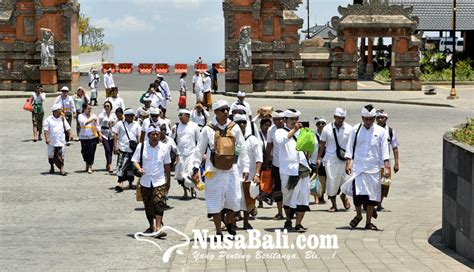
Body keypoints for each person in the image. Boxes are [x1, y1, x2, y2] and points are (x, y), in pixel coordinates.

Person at [191, 100, 249, 237]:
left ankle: (228, 221)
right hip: (213, 171)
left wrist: (245, 167)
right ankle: (218, 231)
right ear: (215, 112)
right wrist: (195, 168)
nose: (225, 112)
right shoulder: (208, 129)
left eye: (227, 109)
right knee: (214, 202)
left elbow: (243, 148)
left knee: (234, 200)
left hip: (232, 169)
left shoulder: (234, 128)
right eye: (222, 110)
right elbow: (199, 150)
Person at [343, 104, 390, 231]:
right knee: (358, 196)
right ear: (362, 118)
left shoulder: (381, 132)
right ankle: (358, 215)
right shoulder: (355, 129)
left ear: (374, 118)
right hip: (358, 168)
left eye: (370, 119)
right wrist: (348, 162)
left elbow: (385, 150)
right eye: (365, 119)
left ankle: (368, 222)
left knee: (372, 198)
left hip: (373, 169)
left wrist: (386, 167)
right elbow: (350, 147)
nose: (368, 122)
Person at [275, 109, 312, 232]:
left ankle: (299, 223)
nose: (295, 122)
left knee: (303, 196)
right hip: (288, 169)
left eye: (296, 119)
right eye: (292, 119)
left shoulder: (301, 132)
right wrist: (294, 130)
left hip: (303, 167)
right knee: (288, 197)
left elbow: (312, 145)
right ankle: (288, 220)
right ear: (285, 120)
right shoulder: (279, 131)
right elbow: (281, 142)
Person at [132, 126, 171, 238]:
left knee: (159, 203)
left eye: (157, 134)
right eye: (152, 134)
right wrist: (139, 168)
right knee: (148, 204)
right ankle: (152, 226)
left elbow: (167, 165)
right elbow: (134, 160)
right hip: (145, 180)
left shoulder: (164, 148)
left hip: (159, 180)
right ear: (148, 135)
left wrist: (168, 181)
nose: (155, 136)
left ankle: (158, 228)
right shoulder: (141, 146)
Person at [316, 108, 352, 212]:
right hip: (330, 160)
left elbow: (351, 145)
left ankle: (344, 196)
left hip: (345, 159)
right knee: (332, 181)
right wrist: (318, 158)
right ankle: (333, 204)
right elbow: (322, 145)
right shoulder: (327, 129)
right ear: (334, 117)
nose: (341, 120)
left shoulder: (349, 129)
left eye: (343, 118)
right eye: (339, 118)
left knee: (346, 180)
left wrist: (350, 160)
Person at [235, 114, 262, 230]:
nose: (241, 124)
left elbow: (259, 158)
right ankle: (232, 222)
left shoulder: (252, 140)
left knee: (248, 199)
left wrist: (257, 174)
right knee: (234, 199)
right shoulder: (231, 138)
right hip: (234, 174)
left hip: (249, 175)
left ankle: (246, 222)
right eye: (239, 122)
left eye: (243, 122)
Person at [375, 109, 400, 211]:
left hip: (386, 163)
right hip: (373, 163)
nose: (380, 119)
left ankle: (379, 204)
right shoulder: (372, 130)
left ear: (386, 119)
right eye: (378, 117)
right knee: (372, 184)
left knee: (385, 184)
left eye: (383, 117)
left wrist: (396, 163)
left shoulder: (390, 131)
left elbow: (395, 148)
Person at [173, 109, 200, 200]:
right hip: (180, 154)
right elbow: (172, 139)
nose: (180, 117)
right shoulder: (176, 126)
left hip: (191, 153)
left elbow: (199, 140)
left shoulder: (194, 126)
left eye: (181, 115)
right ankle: (185, 192)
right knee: (180, 175)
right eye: (179, 115)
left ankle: (192, 189)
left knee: (189, 173)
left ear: (187, 116)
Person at [113, 108, 141, 192]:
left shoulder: (136, 124)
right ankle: (120, 183)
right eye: (131, 116)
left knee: (130, 168)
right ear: (126, 116)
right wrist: (115, 146)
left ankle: (130, 183)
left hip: (133, 149)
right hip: (122, 148)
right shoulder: (119, 124)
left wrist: (139, 149)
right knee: (121, 166)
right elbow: (116, 135)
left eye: (133, 115)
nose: (132, 117)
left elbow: (138, 137)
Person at [265, 110, 285, 219]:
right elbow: (269, 146)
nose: (279, 121)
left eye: (281, 119)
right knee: (278, 189)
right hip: (277, 163)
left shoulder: (289, 129)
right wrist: (266, 162)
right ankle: (280, 212)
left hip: (289, 164)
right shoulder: (271, 130)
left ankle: (291, 210)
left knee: (290, 188)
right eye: (276, 119)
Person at [43, 104, 72, 176]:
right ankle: (52, 166)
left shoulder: (62, 118)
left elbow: (67, 127)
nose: (61, 111)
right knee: (51, 156)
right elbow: (46, 130)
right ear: (55, 111)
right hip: (52, 141)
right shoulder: (48, 119)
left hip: (61, 140)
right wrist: (47, 138)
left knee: (61, 155)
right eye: (60, 110)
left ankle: (62, 168)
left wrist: (70, 134)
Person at [78, 103, 101, 174]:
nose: (89, 110)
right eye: (88, 108)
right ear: (84, 109)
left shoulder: (93, 115)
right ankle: (87, 163)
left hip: (92, 136)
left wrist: (99, 134)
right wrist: (92, 119)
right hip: (84, 136)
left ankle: (90, 166)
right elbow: (83, 123)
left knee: (91, 151)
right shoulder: (81, 116)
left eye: (90, 108)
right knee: (84, 151)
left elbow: (97, 125)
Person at [311, 117, 327, 204]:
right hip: (316, 159)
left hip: (327, 159)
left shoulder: (329, 133)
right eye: (319, 123)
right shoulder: (313, 135)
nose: (321, 125)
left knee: (327, 179)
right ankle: (319, 196)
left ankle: (323, 194)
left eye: (322, 123)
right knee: (320, 178)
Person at [98, 101, 117, 173]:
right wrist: (99, 134)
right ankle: (110, 164)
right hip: (104, 133)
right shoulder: (101, 115)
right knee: (107, 149)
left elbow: (116, 124)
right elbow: (98, 125)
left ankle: (108, 163)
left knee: (110, 149)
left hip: (111, 133)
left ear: (110, 107)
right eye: (105, 106)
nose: (106, 107)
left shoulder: (113, 115)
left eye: (108, 106)